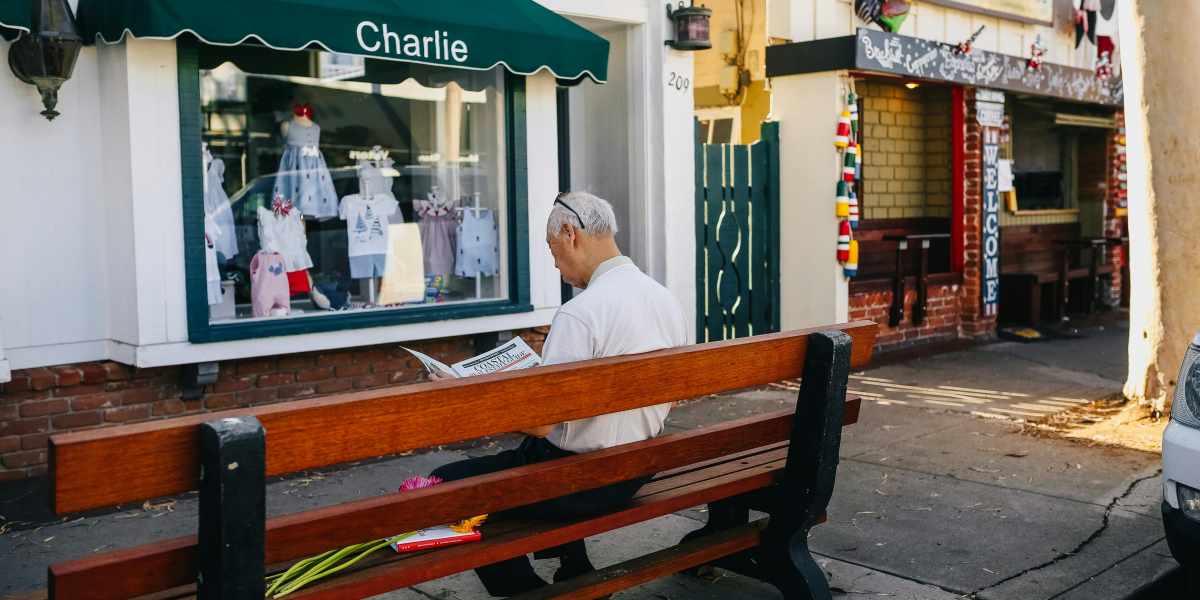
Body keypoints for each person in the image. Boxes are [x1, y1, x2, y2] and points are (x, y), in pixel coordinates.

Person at [426, 190, 688, 597]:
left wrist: (466, 392)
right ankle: (574, 566)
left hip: (574, 485)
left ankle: (526, 591)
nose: (553, 263)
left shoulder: (580, 314)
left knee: (441, 483)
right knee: (534, 456)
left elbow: (541, 424)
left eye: (551, 248)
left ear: (570, 233)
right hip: (636, 469)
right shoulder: (665, 300)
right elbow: (669, 400)